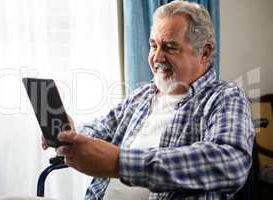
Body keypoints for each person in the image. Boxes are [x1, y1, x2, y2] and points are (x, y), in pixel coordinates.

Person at [42, 1, 255, 199]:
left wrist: (120, 163)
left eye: (170, 47)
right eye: (154, 45)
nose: (157, 57)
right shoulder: (142, 95)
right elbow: (100, 128)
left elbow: (230, 162)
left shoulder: (225, 96)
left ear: (205, 53)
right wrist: (70, 134)